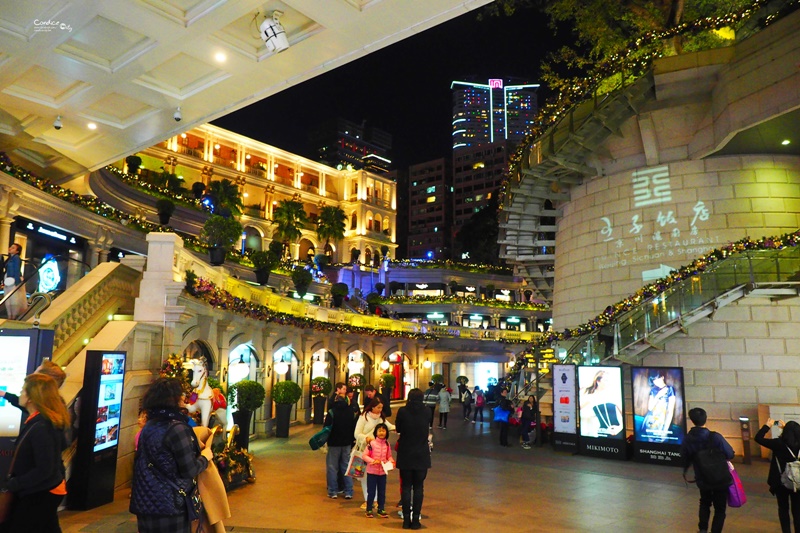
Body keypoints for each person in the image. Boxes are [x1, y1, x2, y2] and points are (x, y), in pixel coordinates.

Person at [130, 377, 214, 533]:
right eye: (180, 394)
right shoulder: (177, 429)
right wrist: (205, 457)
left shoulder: (148, 427)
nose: (183, 398)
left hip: (145, 504)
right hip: (170, 505)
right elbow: (189, 469)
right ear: (173, 399)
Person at [0, 373, 69, 532]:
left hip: (39, 493)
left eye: (23, 391)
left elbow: (44, 469)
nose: (21, 394)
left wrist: (14, 484)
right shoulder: (43, 421)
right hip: (43, 491)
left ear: (31, 398)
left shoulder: (41, 428)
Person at [681, 407, 735, 533]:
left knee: (704, 503)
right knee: (720, 508)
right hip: (720, 477)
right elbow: (730, 454)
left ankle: (703, 529)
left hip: (702, 477)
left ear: (692, 420)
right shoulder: (715, 437)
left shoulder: (688, 439)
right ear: (706, 418)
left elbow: (684, 457)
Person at [754, 418, 800, 532]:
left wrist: (767, 425)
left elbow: (758, 438)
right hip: (798, 482)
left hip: (781, 482)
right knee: (797, 510)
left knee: (783, 508)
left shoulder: (778, 444)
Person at [395, 388, 431, 530]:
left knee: (405, 487)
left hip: (406, 452)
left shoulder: (403, 411)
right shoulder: (427, 411)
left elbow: (398, 428)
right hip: (421, 453)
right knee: (418, 487)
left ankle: (405, 520)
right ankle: (416, 520)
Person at [354, 398, 395, 509]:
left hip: (378, 452)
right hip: (364, 450)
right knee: (365, 476)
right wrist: (366, 438)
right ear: (372, 407)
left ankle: (375, 500)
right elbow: (356, 434)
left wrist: (398, 428)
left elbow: (389, 426)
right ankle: (367, 500)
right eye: (378, 407)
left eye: (381, 408)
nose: (380, 410)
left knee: (377, 475)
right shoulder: (364, 417)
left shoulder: (381, 418)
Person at [0, 360, 67, 415]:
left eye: (35, 375)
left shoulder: (42, 420)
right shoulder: (56, 406)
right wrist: (4, 394)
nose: (31, 376)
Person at [324, 394, 356, 499]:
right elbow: (353, 428)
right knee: (346, 467)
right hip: (346, 443)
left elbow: (326, 428)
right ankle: (348, 491)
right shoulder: (350, 412)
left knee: (332, 467)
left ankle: (333, 491)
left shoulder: (331, 412)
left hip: (334, 443)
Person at [362, 423, 393, 519]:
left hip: (383, 472)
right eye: (379, 430)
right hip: (372, 472)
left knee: (382, 491)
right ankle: (369, 509)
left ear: (386, 433)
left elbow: (389, 456)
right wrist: (372, 461)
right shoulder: (371, 444)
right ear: (376, 432)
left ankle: (381, 509)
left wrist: (391, 461)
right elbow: (364, 456)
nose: (381, 433)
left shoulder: (387, 445)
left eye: (383, 431)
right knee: (371, 491)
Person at [579, 370, 623, 437]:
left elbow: (624, 414)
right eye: (606, 380)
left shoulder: (613, 395)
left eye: (609, 380)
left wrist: (620, 427)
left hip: (616, 432)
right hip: (600, 434)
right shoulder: (590, 396)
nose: (608, 382)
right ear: (598, 381)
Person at [641, 370, 677, 443]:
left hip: (663, 421)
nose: (656, 381)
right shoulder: (653, 390)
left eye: (657, 379)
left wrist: (665, 430)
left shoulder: (670, 389)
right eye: (653, 380)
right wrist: (658, 396)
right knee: (649, 443)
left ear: (662, 377)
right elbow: (650, 408)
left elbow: (670, 411)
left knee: (662, 443)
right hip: (651, 420)